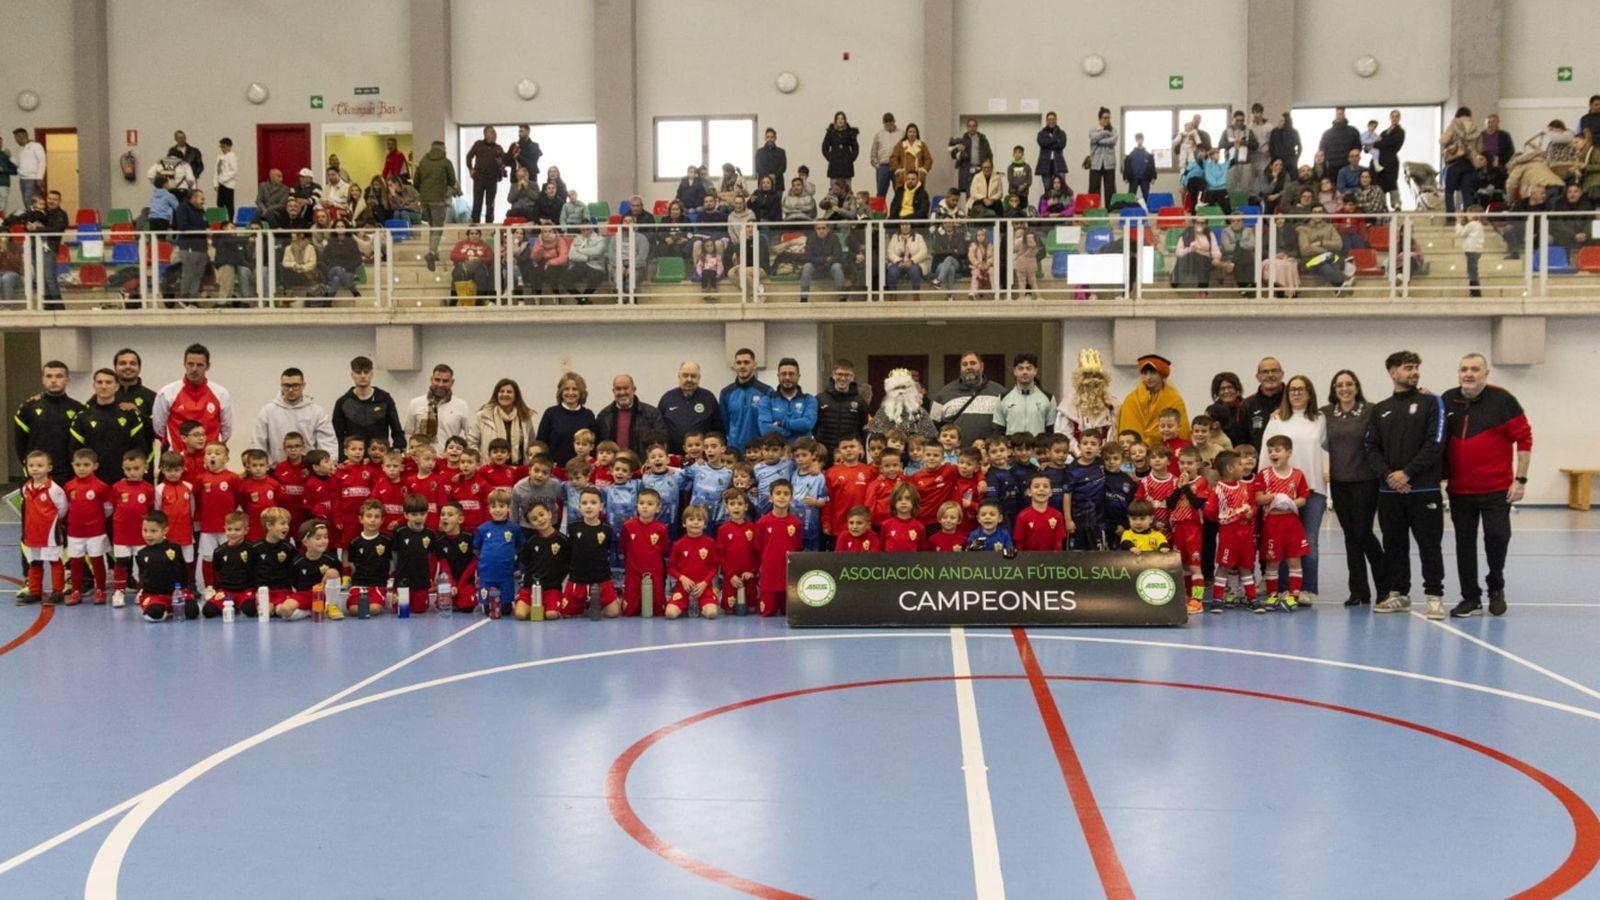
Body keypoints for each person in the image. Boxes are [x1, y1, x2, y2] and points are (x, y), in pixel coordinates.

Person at [1442, 353, 1532, 618]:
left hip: (1496, 490)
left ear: (1486, 373)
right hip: (1459, 490)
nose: (1468, 374)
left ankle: (1496, 586)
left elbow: (1524, 440)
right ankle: (1470, 597)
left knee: (1497, 538)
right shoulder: (1447, 400)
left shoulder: (1503, 400)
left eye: (1474, 369)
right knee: (1464, 544)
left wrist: (1521, 479)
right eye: (1463, 369)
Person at [1365, 350, 1447, 619]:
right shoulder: (1380, 409)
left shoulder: (1432, 403)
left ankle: (1434, 596)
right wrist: (1390, 476)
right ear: (1393, 372)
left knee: (1429, 544)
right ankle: (1398, 593)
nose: (1414, 372)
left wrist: (1408, 473)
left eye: (1415, 368)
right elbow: (1371, 447)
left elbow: (1435, 442)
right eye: (1408, 368)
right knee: (1394, 544)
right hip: (1390, 493)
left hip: (1423, 489)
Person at [1260, 374, 1327, 605]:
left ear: (1310, 393)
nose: (1297, 393)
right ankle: (1281, 588)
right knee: (1279, 542)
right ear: (1287, 395)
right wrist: (1262, 488)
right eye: (1293, 389)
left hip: (1313, 489)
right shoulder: (1277, 419)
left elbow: (1330, 449)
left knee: (1308, 541)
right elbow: (1264, 454)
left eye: (1302, 389)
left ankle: (1306, 589)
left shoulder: (1320, 419)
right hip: (1279, 493)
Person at [1323, 369, 1386, 607]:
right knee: (1350, 537)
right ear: (1334, 389)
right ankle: (1359, 591)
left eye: (1349, 384)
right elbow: (1303, 419)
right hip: (1339, 483)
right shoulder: (1327, 413)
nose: (1344, 389)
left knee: (1363, 533)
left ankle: (1384, 586)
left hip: (1366, 482)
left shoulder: (1371, 410)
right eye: (1339, 385)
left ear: (1356, 387)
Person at [14, 360, 85, 485]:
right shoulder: (28, 407)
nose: (53, 380)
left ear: (67, 380)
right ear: (43, 379)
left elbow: (82, 443)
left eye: (59, 376)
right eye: (49, 376)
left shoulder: (78, 409)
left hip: (67, 474)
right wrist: (31, 464)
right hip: (37, 473)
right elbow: (20, 442)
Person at [151, 343, 231, 451]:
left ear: (208, 366)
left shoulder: (221, 394)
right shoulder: (167, 393)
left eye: (199, 365)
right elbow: (159, 429)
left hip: (209, 462)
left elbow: (226, 431)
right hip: (177, 461)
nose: (194, 369)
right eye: (190, 364)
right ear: (184, 364)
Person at [253, 368, 335, 464]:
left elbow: (327, 442)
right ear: (281, 386)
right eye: (286, 386)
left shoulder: (317, 412)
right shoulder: (267, 411)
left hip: (309, 470)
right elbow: (258, 442)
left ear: (303, 385)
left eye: (295, 385)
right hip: (276, 470)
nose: (291, 390)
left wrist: (330, 463)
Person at [931, 352, 1006, 446]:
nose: (968, 367)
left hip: (989, 456)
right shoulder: (943, 394)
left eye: (973, 363)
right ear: (960, 368)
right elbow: (933, 428)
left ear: (982, 366)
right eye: (964, 364)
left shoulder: (1000, 392)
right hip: (956, 457)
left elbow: (1006, 426)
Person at [1118, 354, 1188, 447]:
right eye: (1145, 373)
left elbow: (1183, 431)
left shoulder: (1174, 399)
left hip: (1165, 451)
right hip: (1136, 453)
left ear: (1162, 375)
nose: (1148, 377)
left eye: (1153, 373)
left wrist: (1150, 441)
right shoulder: (1131, 400)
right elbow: (1127, 430)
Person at [594, 374, 667, 460]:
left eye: (625, 388)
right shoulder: (603, 416)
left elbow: (661, 444)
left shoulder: (652, 414)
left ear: (634, 389)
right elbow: (598, 446)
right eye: (618, 389)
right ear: (613, 391)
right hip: (613, 470)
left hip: (642, 468)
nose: (622, 392)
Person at [405, 364, 472, 453]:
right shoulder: (415, 403)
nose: (440, 384)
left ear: (452, 382)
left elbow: (470, 436)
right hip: (420, 459)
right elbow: (408, 433)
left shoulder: (461, 405)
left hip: (447, 460)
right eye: (437, 380)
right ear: (431, 380)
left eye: (445, 381)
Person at [657, 362, 721, 455]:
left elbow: (718, 430)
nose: (689, 379)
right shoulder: (667, 398)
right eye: (685, 375)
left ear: (699, 378)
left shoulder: (708, 398)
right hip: (673, 457)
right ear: (679, 377)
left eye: (693, 376)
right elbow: (659, 430)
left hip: (702, 459)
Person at [414, 140, 458, 271]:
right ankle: (432, 253)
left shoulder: (423, 162)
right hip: (439, 199)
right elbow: (452, 180)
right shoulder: (446, 162)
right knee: (438, 227)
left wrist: (423, 192)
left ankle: (434, 251)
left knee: (432, 227)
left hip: (425, 200)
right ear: (443, 149)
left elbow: (416, 181)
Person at [535, 372, 598, 464]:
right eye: (566, 389)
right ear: (561, 392)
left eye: (575, 389)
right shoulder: (551, 413)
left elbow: (593, 446)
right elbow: (541, 444)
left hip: (582, 472)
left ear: (581, 392)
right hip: (555, 471)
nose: (570, 393)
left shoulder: (588, 415)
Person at [994, 353, 1054, 437]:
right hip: (1013, 448)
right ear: (1015, 371)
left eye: (1029, 368)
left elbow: (1051, 430)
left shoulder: (1048, 398)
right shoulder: (1003, 398)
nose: (1024, 372)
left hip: (1037, 448)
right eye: (1020, 368)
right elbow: (999, 431)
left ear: (1035, 371)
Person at [814, 360, 867, 454]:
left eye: (847, 375)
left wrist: (860, 446)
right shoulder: (820, 399)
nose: (843, 378)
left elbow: (863, 429)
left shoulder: (860, 402)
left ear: (852, 377)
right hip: (825, 452)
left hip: (849, 453)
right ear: (833, 375)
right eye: (839, 374)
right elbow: (814, 427)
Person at [1440, 107, 1482, 220]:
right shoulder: (1475, 128)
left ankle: (1450, 217)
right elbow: (1480, 149)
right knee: (1466, 191)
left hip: (1455, 161)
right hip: (1469, 164)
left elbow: (1443, 140)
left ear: (1457, 115)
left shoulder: (1454, 125)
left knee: (1449, 191)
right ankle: (1468, 217)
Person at [465, 126, 506, 224]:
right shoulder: (478, 144)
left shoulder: (498, 148)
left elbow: (503, 163)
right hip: (479, 177)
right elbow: (469, 156)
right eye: (492, 132)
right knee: (477, 201)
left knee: (490, 203)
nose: (494, 134)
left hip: (492, 179)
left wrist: (501, 165)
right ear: (486, 134)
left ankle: (489, 223)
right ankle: (475, 222)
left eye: (495, 133)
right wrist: (470, 169)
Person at [800, 221, 847, 302]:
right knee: (807, 266)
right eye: (818, 228)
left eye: (823, 228)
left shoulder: (834, 237)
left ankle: (842, 298)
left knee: (837, 266)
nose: (821, 230)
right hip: (815, 268)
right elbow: (807, 257)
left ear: (828, 229)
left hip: (829, 268)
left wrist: (824, 264)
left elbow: (837, 256)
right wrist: (825, 259)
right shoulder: (811, 238)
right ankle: (804, 299)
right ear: (815, 230)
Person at [948, 117, 993, 194]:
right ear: (967, 127)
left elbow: (989, 154)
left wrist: (989, 168)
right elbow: (953, 155)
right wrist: (958, 149)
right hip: (967, 171)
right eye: (970, 126)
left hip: (980, 170)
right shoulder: (962, 140)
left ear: (976, 127)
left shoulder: (983, 140)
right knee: (969, 194)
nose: (972, 128)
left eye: (974, 126)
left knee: (981, 192)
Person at [884, 221, 929, 295]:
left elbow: (924, 252)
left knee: (915, 270)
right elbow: (890, 252)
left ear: (910, 226)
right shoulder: (895, 237)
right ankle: (892, 296)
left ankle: (916, 295)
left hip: (913, 263)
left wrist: (911, 261)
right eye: (903, 224)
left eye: (907, 224)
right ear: (900, 226)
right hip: (898, 263)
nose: (905, 227)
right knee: (892, 271)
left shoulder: (918, 237)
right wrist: (898, 261)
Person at [822, 111, 861, 196]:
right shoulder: (830, 133)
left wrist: (851, 158)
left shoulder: (851, 133)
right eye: (838, 118)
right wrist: (830, 157)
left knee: (847, 192)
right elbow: (824, 147)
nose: (840, 120)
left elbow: (855, 148)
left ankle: (847, 208)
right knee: (834, 191)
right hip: (834, 166)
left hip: (846, 166)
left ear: (845, 120)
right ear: (835, 120)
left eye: (842, 118)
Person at [1086, 107, 1119, 204]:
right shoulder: (1093, 129)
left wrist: (1099, 140)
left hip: (1109, 164)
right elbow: (1093, 138)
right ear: (1099, 119)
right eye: (1104, 118)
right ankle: (1094, 210)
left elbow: (1113, 141)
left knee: (1110, 188)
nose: (1107, 120)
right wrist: (1104, 133)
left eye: (1108, 118)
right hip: (1095, 163)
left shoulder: (1113, 130)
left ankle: (1110, 211)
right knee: (1094, 188)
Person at [1035, 111, 1068, 195]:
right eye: (1049, 119)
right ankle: (1048, 206)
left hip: (1059, 163)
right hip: (1045, 164)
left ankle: (1060, 206)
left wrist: (1048, 142)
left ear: (1056, 120)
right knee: (1047, 187)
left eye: (1053, 119)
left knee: (1062, 187)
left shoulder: (1062, 133)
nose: (1051, 121)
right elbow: (1042, 143)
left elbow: (1062, 144)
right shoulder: (1041, 134)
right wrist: (1055, 140)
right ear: (1046, 121)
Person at [12, 129, 45, 209]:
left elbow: (42, 161)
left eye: (17, 139)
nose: (16, 141)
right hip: (23, 179)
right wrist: (10, 157)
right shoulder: (22, 150)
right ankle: (29, 219)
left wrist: (39, 177)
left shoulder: (36, 146)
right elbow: (20, 165)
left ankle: (34, 219)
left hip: (32, 178)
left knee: (30, 201)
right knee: (26, 202)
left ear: (22, 136)